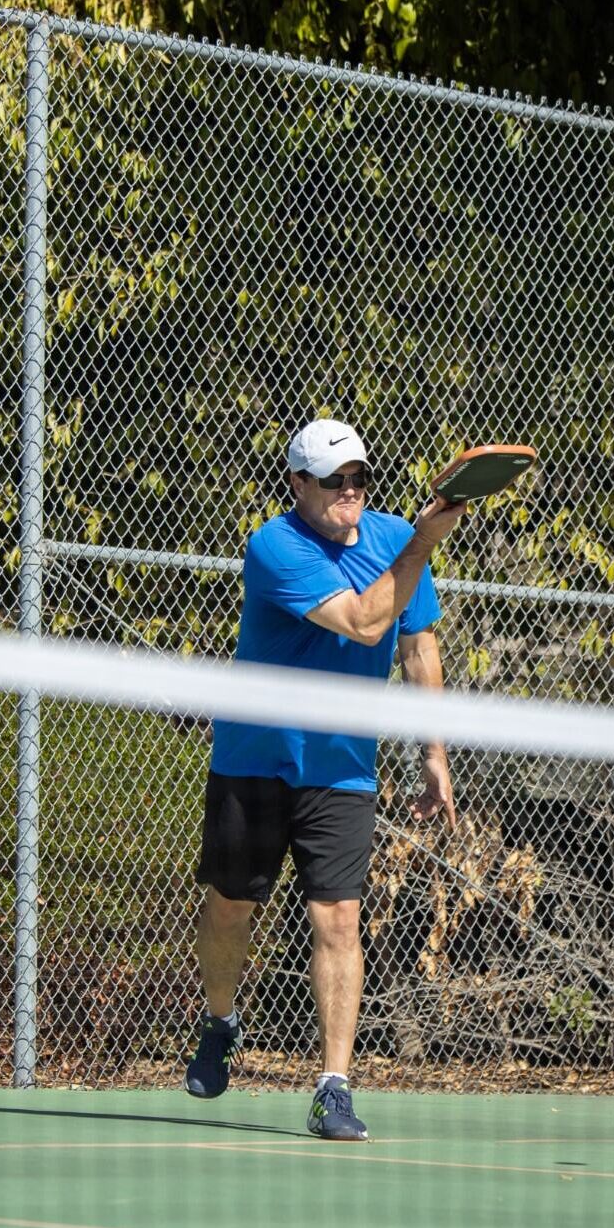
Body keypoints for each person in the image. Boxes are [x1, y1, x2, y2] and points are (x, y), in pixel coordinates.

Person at [185, 419, 464, 1141]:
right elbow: (366, 623)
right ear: (297, 486)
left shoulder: (395, 537)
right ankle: (220, 1020)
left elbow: (415, 643)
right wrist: (423, 544)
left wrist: (432, 752)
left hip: (342, 767)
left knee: (337, 917)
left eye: (359, 479)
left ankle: (332, 1088)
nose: (350, 493)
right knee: (229, 908)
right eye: (334, 481)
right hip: (254, 757)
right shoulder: (272, 546)